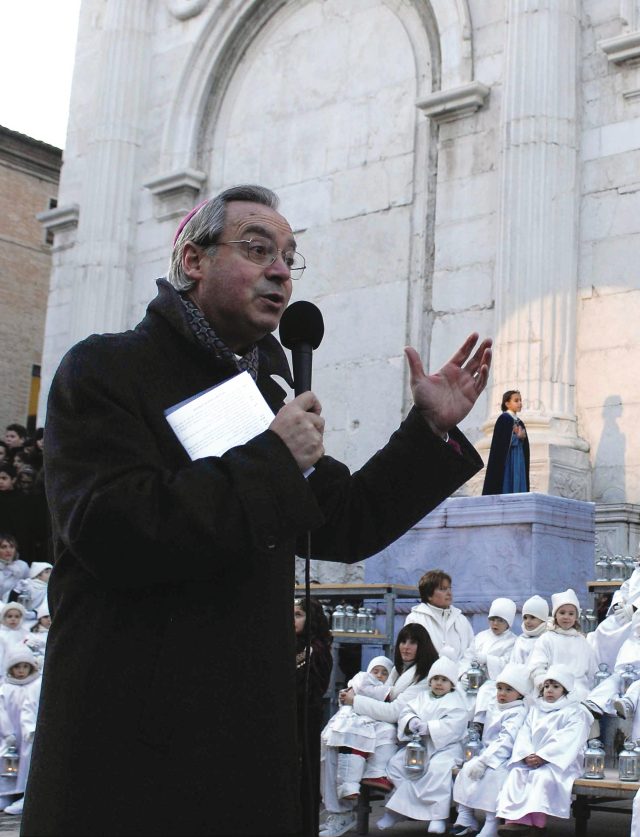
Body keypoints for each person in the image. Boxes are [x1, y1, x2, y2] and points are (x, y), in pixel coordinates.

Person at [23, 184, 492, 837]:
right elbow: (112, 528)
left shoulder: (264, 394)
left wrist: (427, 430)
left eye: (289, 256)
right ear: (192, 260)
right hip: (135, 750)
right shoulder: (105, 370)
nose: (280, 269)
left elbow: (347, 517)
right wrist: (275, 458)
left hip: (246, 748)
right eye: (257, 248)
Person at [322, 624, 438, 837]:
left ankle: (344, 810)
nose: (406, 647)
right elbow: (378, 696)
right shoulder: (398, 669)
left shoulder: (423, 675)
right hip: (379, 725)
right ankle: (340, 813)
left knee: (343, 739)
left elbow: (394, 712)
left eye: (413, 642)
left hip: (403, 736)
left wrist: (355, 701)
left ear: (423, 646)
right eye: (403, 641)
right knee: (333, 738)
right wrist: (349, 697)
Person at [496, 664, 592, 836]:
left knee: (541, 778)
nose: (549, 690)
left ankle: (537, 825)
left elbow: (568, 739)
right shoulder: (535, 710)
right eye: (546, 686)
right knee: (516, 774)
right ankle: (515, 821)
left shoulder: (574, 712)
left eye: (555, 686)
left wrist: (544, 756)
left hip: (559, 762)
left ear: (565, 690)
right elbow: (525, 733)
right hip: (532, 759)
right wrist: (526, 754)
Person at [379, 655, 468, 834]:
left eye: (444, 680)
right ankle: (399, 810)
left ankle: (437, 816)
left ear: (452, 684)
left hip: (446, 748)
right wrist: (411, 721)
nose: (439, 683)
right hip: (421, 746)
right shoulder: (421, 697)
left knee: (438, 770)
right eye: (435, 678)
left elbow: (455, 726)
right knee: (396, 765)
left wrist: (431, 727)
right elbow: (406, 711)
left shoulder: (457, 701)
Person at [451, 663, 530, 837]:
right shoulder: (495, 706)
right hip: (487, 752)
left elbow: (507, 740)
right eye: (500, 688)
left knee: (494, 777)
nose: (502, 693)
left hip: (505, 756)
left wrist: (485, 760)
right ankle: (465, 815)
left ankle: (491, 820)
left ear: (520, 693)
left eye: (509, 690)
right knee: (466, 770)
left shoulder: (517, 711)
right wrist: (480, 757)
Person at [320, 655, 393, 802]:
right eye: (376, 671)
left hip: (373, 727)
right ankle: (347, 789)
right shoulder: (362, 679)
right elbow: (362, 693)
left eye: (384, 673)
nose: (379, 675)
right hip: (351, 726)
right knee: (350, 750)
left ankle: (375, 775)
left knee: (387, 736)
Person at [294, 597, 333, 837]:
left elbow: (308, 688)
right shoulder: (294, 644)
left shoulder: (315, 649)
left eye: (298, 614)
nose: (292, 620)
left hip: (304, 718)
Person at [527, 588, 596, 700]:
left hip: (578, 690)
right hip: (552, 689)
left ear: (576, 617)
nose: (566, 617)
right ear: (555, 615)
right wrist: (542, 684)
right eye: (562, 612)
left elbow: (592, 671)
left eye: (571, 613)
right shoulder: (547, 638)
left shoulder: (582, 642)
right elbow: (536, 666)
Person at [0, 645, 42, 815]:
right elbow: (1, 711)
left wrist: (30, 730)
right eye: (17, 667)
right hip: (10, 736)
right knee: (8, 765)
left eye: (25, 666)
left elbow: (31, 709)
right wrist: (7, 732)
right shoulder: (6, 687)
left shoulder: (36, 685)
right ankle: (6, 794)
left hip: (27, 736)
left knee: (27, 764)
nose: (21, 671)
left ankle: (26, 795)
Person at [404, 569, 474, 662]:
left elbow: (471, 650)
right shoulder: (415, 619)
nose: (449, 593)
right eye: (443, 589)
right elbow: (410, 653)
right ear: (429, 595)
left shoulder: (461, 619)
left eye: (449, 588)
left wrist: (460, 671)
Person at [482, 390, 530, 495]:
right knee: (508, 480)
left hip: (519, 457)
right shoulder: (503, 419)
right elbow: (500, 442)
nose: (520, 403)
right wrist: (517, 437)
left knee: (518, 478)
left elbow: (523, 440)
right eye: (516, 401)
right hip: (508, 459)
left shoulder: (519, 422)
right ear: (507, 403)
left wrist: (522, 438)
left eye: (520, 400)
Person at [509, 596, 549, 665]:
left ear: (543, 619)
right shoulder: (520, 640)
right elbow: (512, 663)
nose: (527, 621)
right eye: (525, 617)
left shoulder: (548, 639)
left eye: (532, 617)